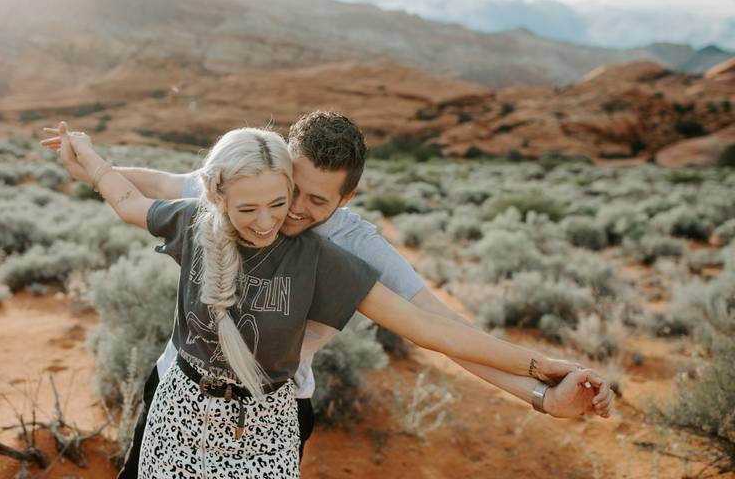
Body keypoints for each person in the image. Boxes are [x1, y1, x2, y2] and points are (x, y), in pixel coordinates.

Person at [44, 112, 614, 477]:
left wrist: (538, 390)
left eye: (318, 202)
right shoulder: (252, 192)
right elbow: (165, 188)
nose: (290, 211)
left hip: (274, 409)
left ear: (347, 198)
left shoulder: (350, 250)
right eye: (295, 188)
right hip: (179, 389)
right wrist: (92, 165)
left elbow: (441, 333)